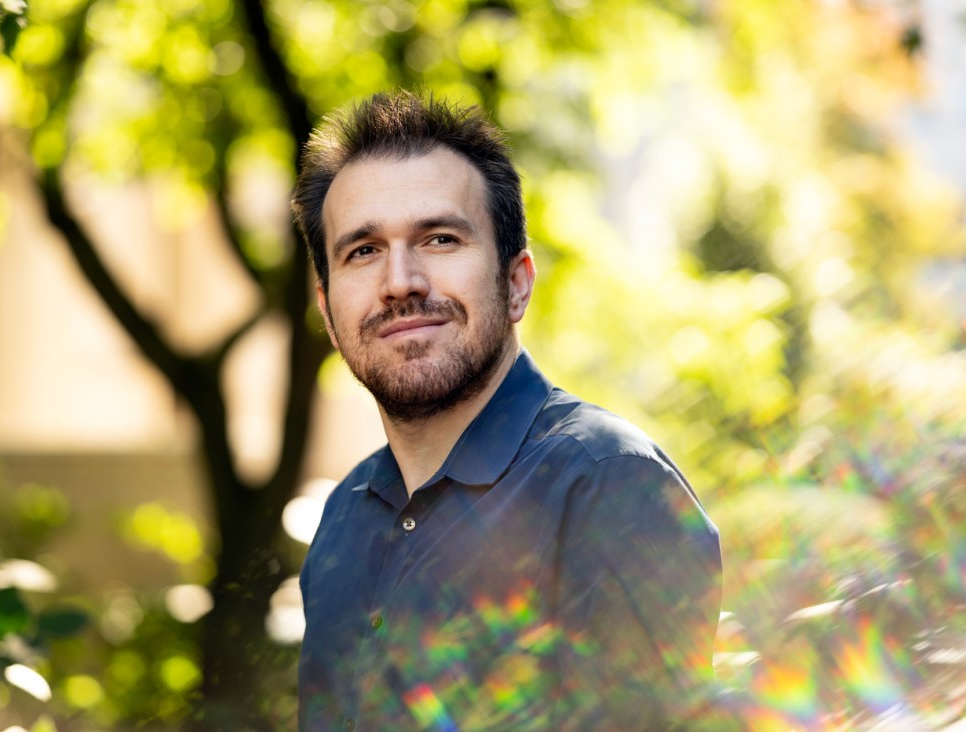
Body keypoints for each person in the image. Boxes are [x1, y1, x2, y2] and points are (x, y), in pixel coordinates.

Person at [291, 90, 726, 731]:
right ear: (329, 313)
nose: (401, 281)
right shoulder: (343, 515)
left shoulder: (606, 484)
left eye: (439, 239)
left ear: (516, 283)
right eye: (363, 250)